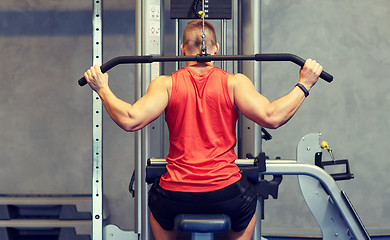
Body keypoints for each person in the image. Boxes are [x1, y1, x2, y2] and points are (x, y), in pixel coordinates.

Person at [84, 20, 323, 240]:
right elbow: (273, 117)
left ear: (182, 49)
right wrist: (305, 83)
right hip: (225, 192)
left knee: (157, 205)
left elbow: (130, 120)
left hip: (175, 193)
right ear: (216, 49)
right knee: (250, 204)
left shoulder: (165, 84)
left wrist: (102, 88)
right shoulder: (234, 82)